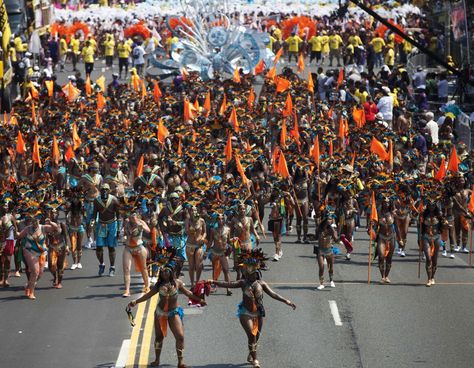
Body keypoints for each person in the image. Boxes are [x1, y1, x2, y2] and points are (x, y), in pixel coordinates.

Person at [208, 249, 296, 368]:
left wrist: (286, 301)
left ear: (256, 271)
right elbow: (228, 284)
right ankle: (255, 360)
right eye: (247, 271)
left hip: (258, 312)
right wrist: (214, 282)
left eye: (251, 272)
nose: (249, 274)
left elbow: (273, 294)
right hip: (245, 312)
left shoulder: (261, 284)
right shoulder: (243, 282)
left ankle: (251, 353)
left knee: (257, 336)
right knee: (252, 335)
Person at [128, 258, 204, 367]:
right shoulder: (158, 285)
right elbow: (147, 296)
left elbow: (188, 293)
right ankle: (157, 360)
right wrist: (135, 302)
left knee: (180, 336)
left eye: (167, 271)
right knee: (159, 337)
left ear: (171, 272)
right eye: (163, 272)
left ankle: (180, 362)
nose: (164, 273)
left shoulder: (177, 283)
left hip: (174, 312)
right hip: (160, 313)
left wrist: (200, 300)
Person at [17, 213, 60, 300]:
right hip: (29, 251)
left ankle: (28, 285)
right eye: (33, 221)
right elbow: (19, 236)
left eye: (36, 221)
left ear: (39, 220)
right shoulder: (27, 229)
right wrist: (13, 229)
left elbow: (55, 228)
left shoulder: (44, 228)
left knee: (40, 273)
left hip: (41, 252)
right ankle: (31, 292)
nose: (34, 223)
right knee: (35, 271)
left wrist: (50, 222)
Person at [93, 183, 121, 276]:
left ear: (109, 190)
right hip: (101, 225)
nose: (104, 191)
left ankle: (112, 267)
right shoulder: (96, 201)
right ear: (100, 191)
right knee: (99, 247)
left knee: (111, 247)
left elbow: (118, 215)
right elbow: (94, 213)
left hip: (112, 225)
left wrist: (118, 230)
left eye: (106, 189)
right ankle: (101, 264)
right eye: (102, 189)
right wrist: (92, 223)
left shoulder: (114, 200)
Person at [123, 212, 150, 297]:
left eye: (134, 216)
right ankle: (127, 290)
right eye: (131, 217)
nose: (133, 218)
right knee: (126, 269)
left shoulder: (140, 222)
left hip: (139, 247)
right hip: (128, 248)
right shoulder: (126, 222)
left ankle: (147, 286)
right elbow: (123, 233)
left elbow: (148, 230)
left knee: (143, 268)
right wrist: (123, 236)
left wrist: (141, 226)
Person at [207, 212, 232, 295]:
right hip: (215, 252)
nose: (220, 220)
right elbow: (211, 241)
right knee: (214, 270)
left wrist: (234, 242)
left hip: (223, 252)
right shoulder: (213, 230)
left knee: (226, 270)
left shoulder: (228, 229)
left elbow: (228, 241)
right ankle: (214, 285)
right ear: (216, 220)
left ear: (224, 220)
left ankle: (228, 288)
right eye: (218, 219)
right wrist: (206, 251)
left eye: (222, 219)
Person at [46, 209, 70, 289]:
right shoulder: (47, 225)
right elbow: (45, 236)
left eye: (55, 213)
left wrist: (67, 246)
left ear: (58, 214)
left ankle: (59, 282)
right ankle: (55, 277)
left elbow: (66, 236)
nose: (53, 215)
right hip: (51, 247)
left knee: (60, 266)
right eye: (52, 213)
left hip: (61, 247)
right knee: (50, 265)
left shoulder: (61, 224)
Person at [315, 210, 339, 290]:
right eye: (328, 219)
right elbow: (315, 236)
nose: (330, 220)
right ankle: (321, 283)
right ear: (325, 219)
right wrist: (310, 237)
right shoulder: (319, 227)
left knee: (331, 268)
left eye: (331, 219)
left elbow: (336, 240)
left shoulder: (332, 229)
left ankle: (331, 280)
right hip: (320, 250)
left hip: (329, 250)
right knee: (321, 267)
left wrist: (334, 232)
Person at [184, 205, 206, 288]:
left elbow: (205, 232)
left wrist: (203, 238)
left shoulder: (202, 220)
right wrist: (193, 225)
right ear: (189, 212)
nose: (194, 212)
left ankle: (197, 282)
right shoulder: (187, 220)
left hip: (199, 245)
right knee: (191, 266)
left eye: (195, 210)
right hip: (190, 245)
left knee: (199, 265)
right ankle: (192, 284)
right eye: (192, 210)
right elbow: (187, 232)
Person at [0, 201, 17, 287]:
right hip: (0, 240)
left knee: (7, 261)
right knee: (0, 261)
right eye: (3, 205)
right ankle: (1, 279)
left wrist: (17, 238)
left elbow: (16, 228)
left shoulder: (11, 216)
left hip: (9, 240)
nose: (5, 207)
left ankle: (5, 280)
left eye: (6, 206)